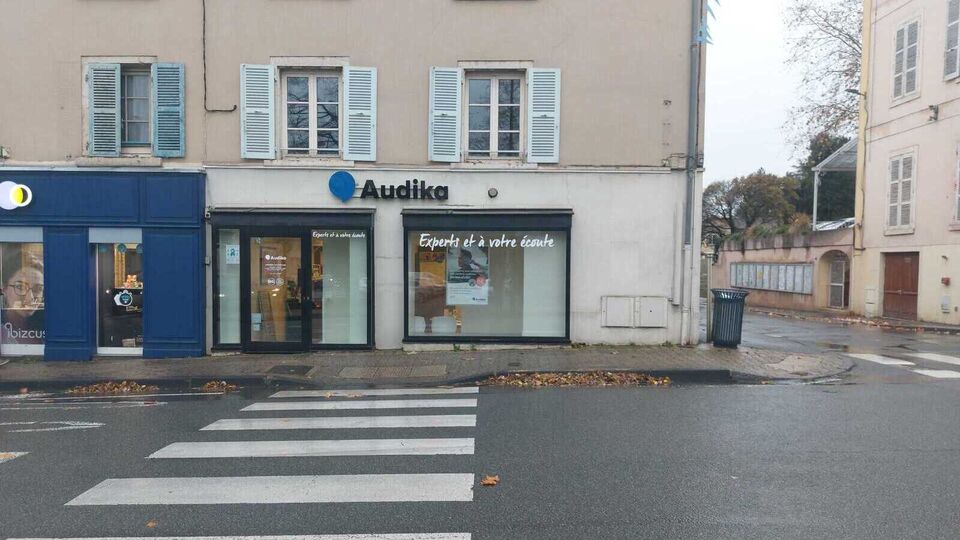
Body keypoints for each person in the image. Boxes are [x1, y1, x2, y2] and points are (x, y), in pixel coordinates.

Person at [1, 257, 44, 347]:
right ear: (4, 289)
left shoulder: (47, 326)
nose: (30, 298)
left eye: (38, 289)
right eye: (20, 287)